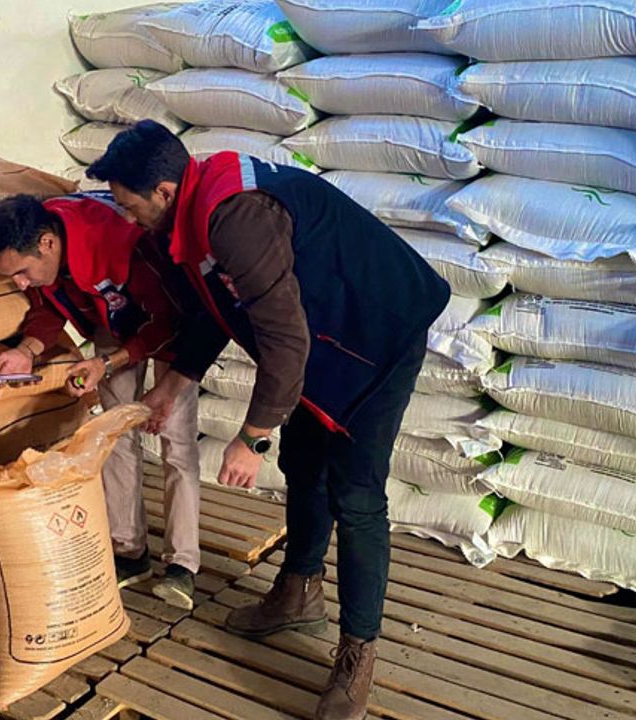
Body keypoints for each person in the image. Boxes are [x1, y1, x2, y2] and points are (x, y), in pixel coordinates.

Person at [86, 121, 450, 720]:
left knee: (356, 495)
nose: (128, 218)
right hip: (325, 337)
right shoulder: (194, 214)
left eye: (130, 206)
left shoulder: (236, 216)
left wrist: (252, 437)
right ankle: (298, 593)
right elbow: (217, 309)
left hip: (378, 336)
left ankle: (357, 653)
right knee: (304, 464)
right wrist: (174, 384)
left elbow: (283, 338)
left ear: (165, 191)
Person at [0, 191, 203, 610]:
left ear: (47, 244)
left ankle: (182, 565)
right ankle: (129, 550)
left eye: (22, 272)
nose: (19, 284)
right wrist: (26, 350)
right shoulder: (46, 251)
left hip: (171, 319)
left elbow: (164, 323)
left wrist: (109, 363)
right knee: (113, 434)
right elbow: (47, 310)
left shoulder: (122, 243)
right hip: (111, 321)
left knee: (175, 438)